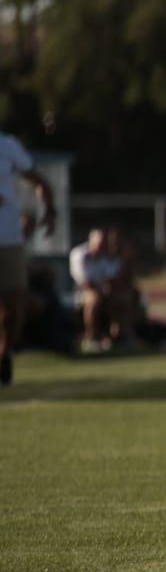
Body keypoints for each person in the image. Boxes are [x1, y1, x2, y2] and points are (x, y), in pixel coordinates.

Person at [0, 130, 56, 385]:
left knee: (13, 307)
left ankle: (4, 353)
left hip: (8, 238)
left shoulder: (8, 145)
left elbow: (39, 181)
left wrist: (49, 208)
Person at [68, 227, 137, 353]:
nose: (103, 247)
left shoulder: (105, 256)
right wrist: (105, 291)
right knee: (94, 299)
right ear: (91, 242)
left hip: (102, 292)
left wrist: (126, 260)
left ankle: (121, 336)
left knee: (123, 298)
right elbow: (85, 282)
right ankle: (91, 338)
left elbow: (113, 279)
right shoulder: (79, 255)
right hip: (82, 294)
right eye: (100, 244)